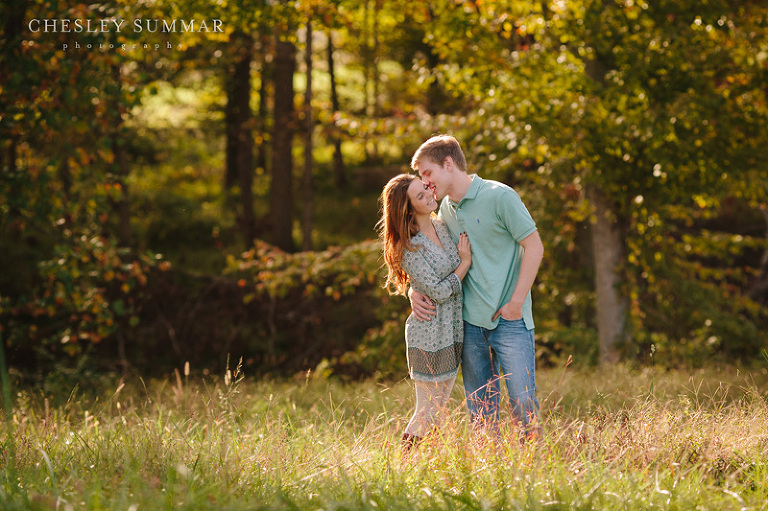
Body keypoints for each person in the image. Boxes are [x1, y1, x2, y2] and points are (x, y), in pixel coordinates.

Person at [408, 134, 544, 439]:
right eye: (421, 177)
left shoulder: (500, 196)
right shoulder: (444, 211)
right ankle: (489, 472)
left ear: (448, 164)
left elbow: (534, 247)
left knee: (523, 402)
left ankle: (535, 470)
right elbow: (429, 262)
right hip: (468, 324)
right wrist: (413, 291)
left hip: (511, 320)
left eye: (427, 173)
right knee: (481, 410)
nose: (425, 183)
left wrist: (516, 302)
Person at [377, 173, 472, 452]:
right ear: (408, 208)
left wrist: (412, 290)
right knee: (427, 409)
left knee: (439, 409)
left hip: (452, 330)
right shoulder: (408, 246)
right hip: (429, 331)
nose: (430, 195)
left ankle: (427, 464)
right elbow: (440, 292)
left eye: (426, 188)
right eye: (420, 196)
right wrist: (464, 263)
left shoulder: (442, 225)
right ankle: (403, 463)